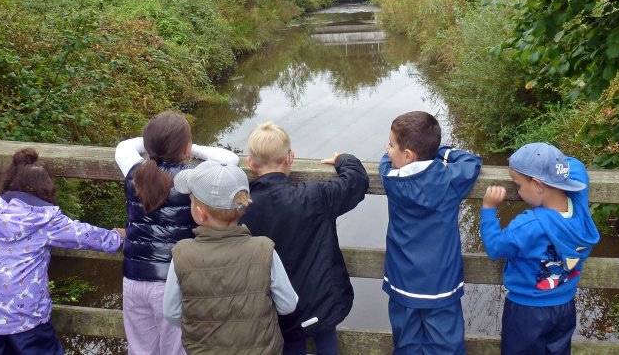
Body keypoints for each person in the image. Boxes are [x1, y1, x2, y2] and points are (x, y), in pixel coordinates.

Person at [0, 148, 125, 354]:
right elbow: (83, 235)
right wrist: (117, 237)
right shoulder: (45, 219)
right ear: (45, 188)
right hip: (24, 317)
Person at [115, 111, 239, 355]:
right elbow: (229, 159)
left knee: (140, 349)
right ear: (185, 148)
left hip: (133, 278)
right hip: (173, 282)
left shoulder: (135, 173)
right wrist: (195, 149)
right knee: (176, 350)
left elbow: (123, 147)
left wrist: (151, 144)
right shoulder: (192, 178)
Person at [240, 122, 369, 354]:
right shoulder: (313, 196)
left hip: (277, 307)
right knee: (326, 339)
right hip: (321, 302)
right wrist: (343, 159)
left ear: (250, 163)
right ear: (290, 158)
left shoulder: (242, 207)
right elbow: (356, 182)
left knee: (289, 343)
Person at [163, 160, 298, 354]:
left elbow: (172, 313)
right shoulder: (263, 249)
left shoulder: (182, 253)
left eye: (191, 200)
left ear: (200, 213)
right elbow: (288, 305)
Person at [479, 142, 600, 355]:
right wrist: (554, 166)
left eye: (517, 184)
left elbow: (495, 248)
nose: (517, 190)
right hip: (564, 306)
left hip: (526, 310)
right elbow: (576, 166)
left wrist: (489, 209)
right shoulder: (579, 205)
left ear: (537, 185)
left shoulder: (528, 225)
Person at [380, 111, 482, 354]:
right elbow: (472, 161)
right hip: (441, 285)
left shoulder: (390, 177)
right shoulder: (449, 180)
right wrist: (438, 150)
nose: (387, 148)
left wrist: (422, 152)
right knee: (446, 346)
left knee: (406, 345)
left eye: (392, 144)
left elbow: (385, 160)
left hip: (402, 283)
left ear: (407, 156)